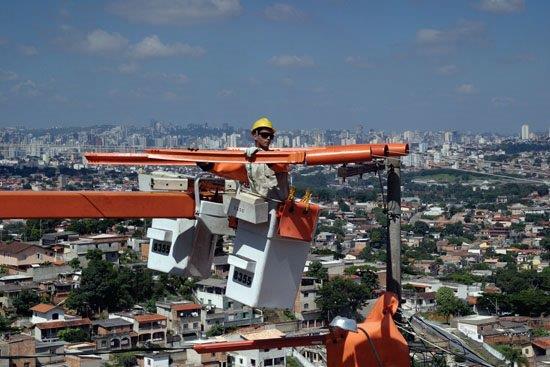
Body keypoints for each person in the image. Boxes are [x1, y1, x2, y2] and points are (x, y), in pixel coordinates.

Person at [198, 117, 289, 201]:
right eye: (265, 135)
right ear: (255, 135)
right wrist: (207, 164)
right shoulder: (249, 160)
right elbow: (228, 168)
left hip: (278, 204)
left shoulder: (277, 156)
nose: (268, 138)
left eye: (271, 136)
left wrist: (267, 160)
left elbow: (281, 166)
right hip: (260, 203)